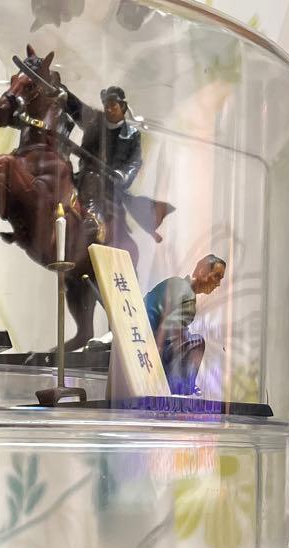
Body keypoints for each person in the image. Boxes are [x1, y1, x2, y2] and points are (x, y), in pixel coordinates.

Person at [61, 83, 172, 250]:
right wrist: (64, 94)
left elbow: (135, 162)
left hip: (110, 183)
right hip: (86, 173)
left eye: (113, 105)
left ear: (123, 107)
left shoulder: (132, 135)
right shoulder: (95, 120)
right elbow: (77, 109)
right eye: (107, 105)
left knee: (94, 180)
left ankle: (92, 218)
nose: (109, 109)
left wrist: (124, 175)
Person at [144, 255, 227, 395]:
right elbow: (169, 329)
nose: (218, 284)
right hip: (151, 341)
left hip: (141, 330)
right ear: (202, 272)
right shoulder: (189, 299)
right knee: (197, 341)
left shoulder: (174, 281)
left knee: (186, 337)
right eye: (216, 276)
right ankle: (182, 388)